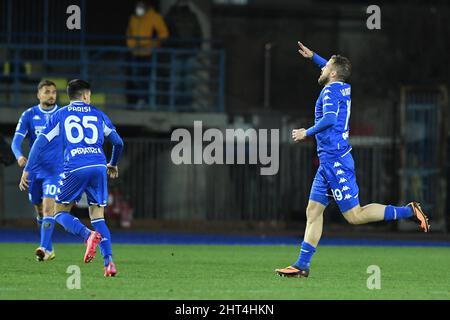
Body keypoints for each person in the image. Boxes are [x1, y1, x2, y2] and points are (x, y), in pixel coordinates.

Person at [275, 42, 430, 278]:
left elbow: (328, 119)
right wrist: (314, 57)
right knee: (313, 211)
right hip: (329, 160)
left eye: (324, 67)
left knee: (354, 216)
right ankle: (302, 265)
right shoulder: (343, 86)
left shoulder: (329, 91)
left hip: (335, 160)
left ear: (333, 73)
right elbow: (336, 69)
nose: (322, 69)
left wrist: (306, 132)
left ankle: (409, 211)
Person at [19, 79, 124, 277]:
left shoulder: (60, 114)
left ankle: (87, 236)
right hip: (99, 166)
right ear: (85, 96)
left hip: (75, 166)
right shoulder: (99, 114)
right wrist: (113, 163)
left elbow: (39, 145)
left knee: (59, 213)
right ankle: (109, 263)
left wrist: (28, 170)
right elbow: (118, 143)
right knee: (98, 217)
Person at [11, 80, 62, 261]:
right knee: (39, 210)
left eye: (54, 92)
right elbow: (16, 142)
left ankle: (43, 249)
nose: (51, 95)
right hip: (34, 171)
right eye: (47, 92)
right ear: (38, 94)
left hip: (54, 170)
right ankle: (49, 248)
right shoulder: (29, 115)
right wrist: (19, 156)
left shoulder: (62, 115)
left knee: (49, 209)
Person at [126, 0, 169, 107]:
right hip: (136, 53)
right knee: (136, 78)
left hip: (149, 54)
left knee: (149, 79)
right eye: (137, 5)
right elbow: (129, 34)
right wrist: (132, 46)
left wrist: (152, 45)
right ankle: (142, 99)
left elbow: (164, 34)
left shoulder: (155, 17)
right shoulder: (133, 18)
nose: (139, 7)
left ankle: (146, 101)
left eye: (141, 5)